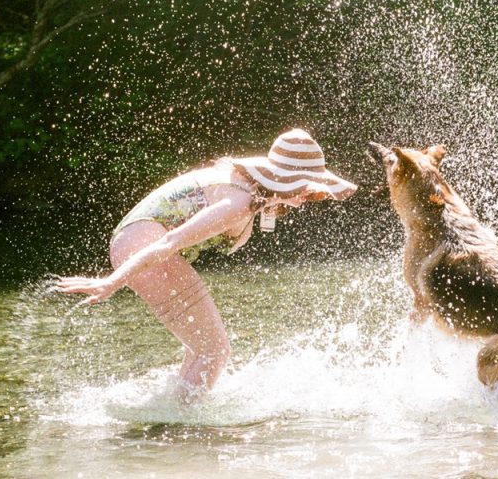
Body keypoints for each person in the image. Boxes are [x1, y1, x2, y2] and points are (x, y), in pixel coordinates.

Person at [55, 128, 357, 396]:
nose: (308, 196)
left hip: (136, 241)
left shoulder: (245, 185)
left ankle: (172, 414)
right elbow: (169, 243)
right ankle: (181, 431)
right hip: (143, 247)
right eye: (304, 187)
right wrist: (111, 282)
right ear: (283, 179)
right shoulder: (237, 202)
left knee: (201, 349)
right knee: (214, 350)